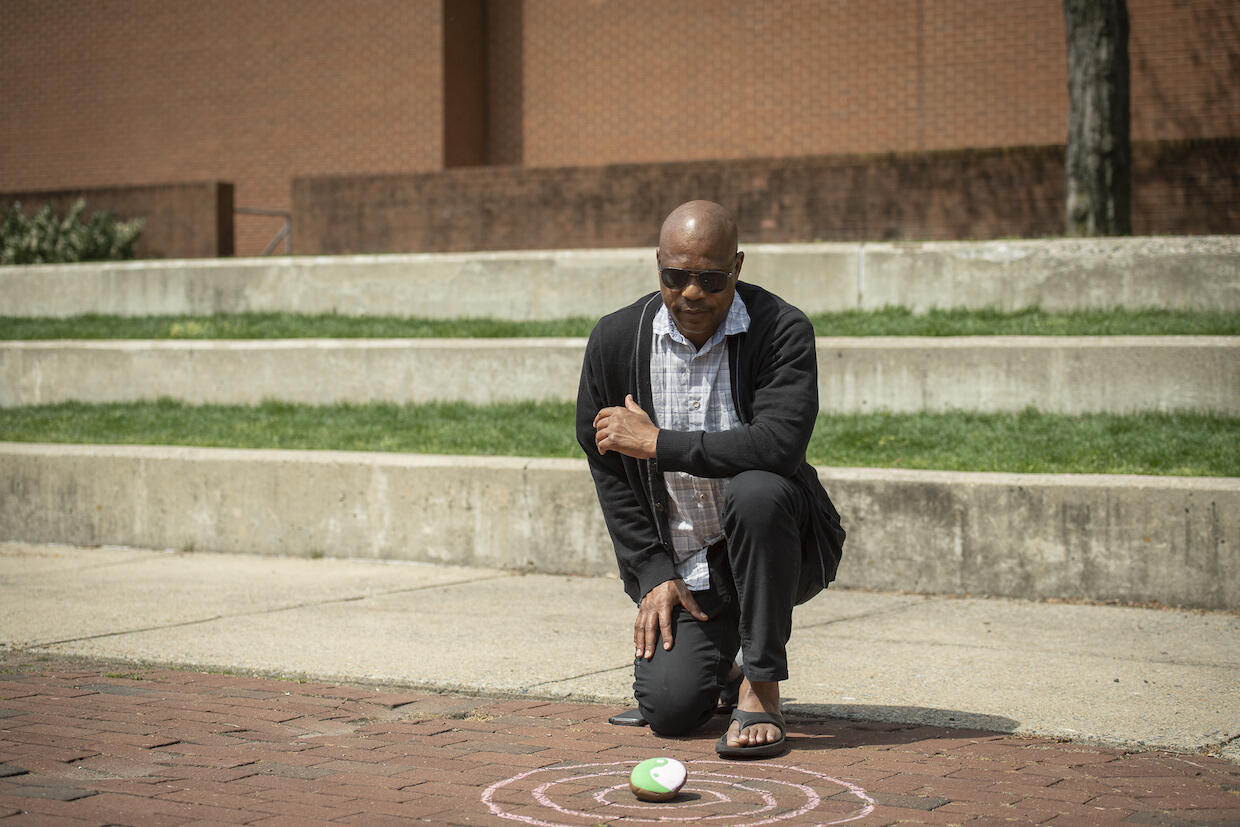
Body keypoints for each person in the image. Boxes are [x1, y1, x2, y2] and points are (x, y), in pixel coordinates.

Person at [576, 200, 846, 758]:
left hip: (776, 542)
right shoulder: (616, 340)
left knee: (757, 489)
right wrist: (652, 572)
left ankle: (761, 683)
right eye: (675, 276)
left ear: (738, 268)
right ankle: (721, 664)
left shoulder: (781, 330)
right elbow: (606, 465)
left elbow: (779, 445)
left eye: (710, 278)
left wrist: (660, 444)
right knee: (671, 711)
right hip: (686, 562)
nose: (691, 293)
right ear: (657, 265)